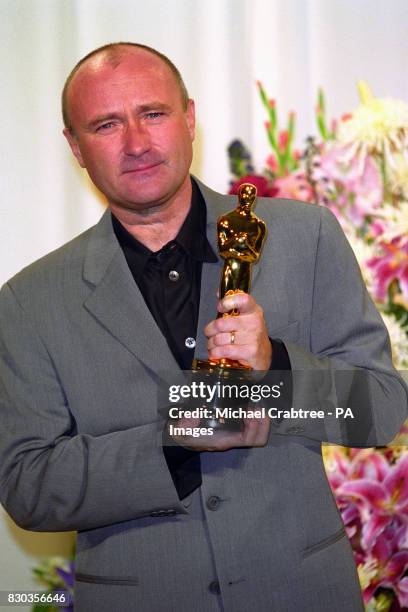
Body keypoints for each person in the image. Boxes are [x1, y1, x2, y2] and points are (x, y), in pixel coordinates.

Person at [0, 42, 406, 612]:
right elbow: (28, 486)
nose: (137, 143)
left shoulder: (303, 236)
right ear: (75, 147)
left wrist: (276, 369)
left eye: (153, 114)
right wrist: (173, 441)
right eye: (107, 124)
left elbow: (381, 410)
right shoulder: (28, 300)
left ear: (190, 118)